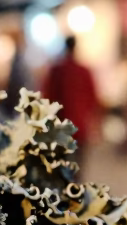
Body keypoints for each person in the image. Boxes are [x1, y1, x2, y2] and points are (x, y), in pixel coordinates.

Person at [42, 35, 99, 175]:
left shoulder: (56, 70)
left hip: (60, 125)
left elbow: (48, 97)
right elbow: (93, 100)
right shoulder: (84, 71)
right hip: (80, 125)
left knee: (61, 164)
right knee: (78, 166)